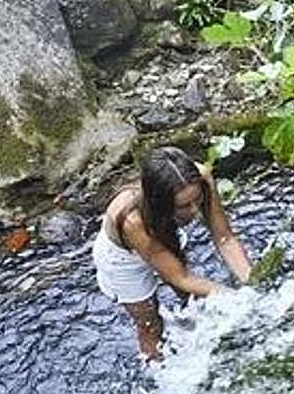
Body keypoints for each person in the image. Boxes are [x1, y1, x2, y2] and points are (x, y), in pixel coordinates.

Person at [92, 146, 252, 359]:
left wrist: (251, 283)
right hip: (123, 257)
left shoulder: (200, 177)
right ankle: (156, 366)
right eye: (184, 206)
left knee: (193, 298)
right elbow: (181, 277)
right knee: (150, 324)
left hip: (164, 229)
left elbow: (225, 239)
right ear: (160, 203)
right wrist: (237, 298)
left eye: (197, 199)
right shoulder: (131, 220)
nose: (195, 210)